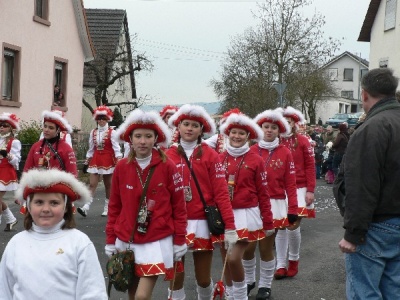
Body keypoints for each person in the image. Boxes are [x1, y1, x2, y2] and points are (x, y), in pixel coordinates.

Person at [106, 109, 187, 300]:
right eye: (138, 136)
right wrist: (111, 239)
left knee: (142, 296)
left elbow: (179, 207)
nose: (143, 141)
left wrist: (180, 240)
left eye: (148, 136)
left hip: (157, 240)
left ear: (156, 139)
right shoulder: (121, 167)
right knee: (133, 296)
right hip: (128, 240)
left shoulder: (168, 166)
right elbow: (114, 207)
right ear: (130, 139)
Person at [338, 68, 400, 299]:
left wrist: (353, 234)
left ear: (364, 95)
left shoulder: (372, 128)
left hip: (376, 226)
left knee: (365, 293)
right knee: (394, 291)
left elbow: (362, 185)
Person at [166, 104, 238, 300]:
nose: (190, 128)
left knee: (203, 278)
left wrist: (230, 227)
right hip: (173, 223)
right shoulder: (166, 155)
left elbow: (221, 193)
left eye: (195, 125)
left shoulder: (211, 155)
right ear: (178, 127)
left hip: (202, 223)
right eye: (186, 124)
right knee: (175, 276)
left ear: (202, 129)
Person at [0, 169, 108, 299]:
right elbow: (4, 290)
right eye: (39, 202)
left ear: (66, 207)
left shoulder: (79, 242)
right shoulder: (16, 243)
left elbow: (93, 292)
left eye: (54, 203)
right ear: (28, 205)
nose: (46, 209)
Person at [217, 112, 274, 300]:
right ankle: (231, 294)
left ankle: (241, 296)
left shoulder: (255, 160)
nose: (237, 136)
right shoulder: (220, 158)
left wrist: (268, 221)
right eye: (233, 132)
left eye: (241, 133)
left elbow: (263, 194)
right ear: (228, 133)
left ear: (248, 136)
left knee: (234, 258)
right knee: (226, 259)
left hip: (247, 215)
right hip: (223, 215)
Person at [243, 109, 298, 299]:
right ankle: (249, 280)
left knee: (265, 248)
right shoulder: (250, 151)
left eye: (273, 127)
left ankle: (265, 285)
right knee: (248, 248)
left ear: (279, 130)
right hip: (252, 206)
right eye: (265, 127)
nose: (269, 130)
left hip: (274, 205)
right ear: (259, 128)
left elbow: (291, 183)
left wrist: (293, 209)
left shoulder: (285, 152)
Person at [274, 106, 316, 279]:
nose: (286, 124)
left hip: (299, 188)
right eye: (283, 121)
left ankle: (293, 260)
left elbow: (310, 166)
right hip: (280, 189)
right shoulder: (275, 142)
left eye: (289, 121)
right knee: (280, 227)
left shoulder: (303, 141)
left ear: (293, 123)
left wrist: (310, 190)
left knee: (292, 225)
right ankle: (280, 264)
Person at [77, 106, 122, 217]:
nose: (101, 120)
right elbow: (91, 149)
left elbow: (116, 149)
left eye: (103, 118)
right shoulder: (93, 132)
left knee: (108, 185)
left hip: (108, 160)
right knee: (92, 184)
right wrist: (87, 162)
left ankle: (107, 207)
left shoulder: (112, 132)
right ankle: (86, 207)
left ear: (107, 119)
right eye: (99, 118)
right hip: (96, 159)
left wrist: (119, 162)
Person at [23, 110, 77, 175]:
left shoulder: (66, 148)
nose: (46, 130)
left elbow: (72, 175)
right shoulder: (35, 146)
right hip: (38, 184)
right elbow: (27, 171)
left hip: (58, 184)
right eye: (45, 126)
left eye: (51, 128)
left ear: (58, 130)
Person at [0, 113, 21, 231]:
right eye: (0, 125)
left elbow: (16, 161)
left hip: (6, 172)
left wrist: (7, 155)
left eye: (5, 125)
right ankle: (11, 219)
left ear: (11, 128)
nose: (1, 127)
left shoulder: (14, 142)